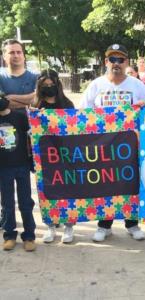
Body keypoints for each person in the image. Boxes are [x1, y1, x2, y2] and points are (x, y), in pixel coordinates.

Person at [81, 44, 145, 242]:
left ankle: (132, 223)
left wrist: (144, 108)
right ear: (106, 62)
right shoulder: (96, 85)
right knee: (106, 184)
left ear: (127, 62)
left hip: (130, 147)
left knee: (130, 183)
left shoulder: (137, 85)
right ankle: (104, 225)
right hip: (103, 148)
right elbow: (82, 115)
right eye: (112, 59)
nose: (116, 63)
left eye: (121, 60)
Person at [34, 69, 76, 243]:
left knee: (67, 190)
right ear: (40, 87)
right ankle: (50, 225)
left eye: (52, 85)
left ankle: (68, 225)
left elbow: (75, 128)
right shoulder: (36, 106)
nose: (49, 88)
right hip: (44, 157)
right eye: (45, 86)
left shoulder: (67, 104)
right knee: (47, 191)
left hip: (65, 155)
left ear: (58, 85)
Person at [0, 39, 37, 235]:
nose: (15, 55)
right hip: (6, 141)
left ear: (23, 54)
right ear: (4, 56)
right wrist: (26, 100)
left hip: (31, 139)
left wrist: (8, 99)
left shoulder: (35, 76)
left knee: (28, 189)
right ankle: (8, 227)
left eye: (18, 52)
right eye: (11, 52)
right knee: (6, 191)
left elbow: (36, 98)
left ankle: (41, 225)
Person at [0, 95, 36, 251]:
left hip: (22, 165)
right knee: (7, 203)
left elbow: (33, 132)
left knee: (25, 203)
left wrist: (36, 115)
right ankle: (9, 235)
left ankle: (29, 236)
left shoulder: (20, 117)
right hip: (3, 168)